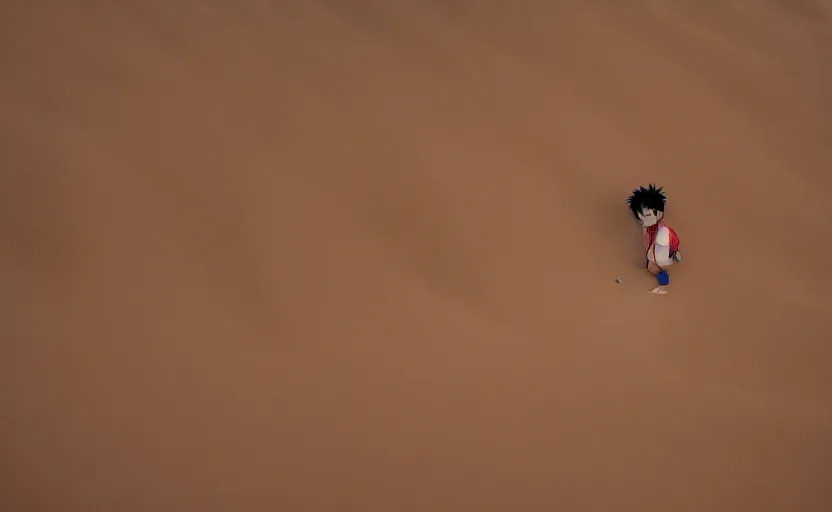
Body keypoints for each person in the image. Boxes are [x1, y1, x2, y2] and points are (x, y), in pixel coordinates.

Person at [626, 183, 681, 292]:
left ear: (659, 214)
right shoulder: (647, 228)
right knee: (651, 265)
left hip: (661, 257)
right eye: (640, 218)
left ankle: (664, 282)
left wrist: (674, 252)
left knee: (654, 267)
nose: (643, 222)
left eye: (647, 216)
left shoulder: (663, 231)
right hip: (653, 255)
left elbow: (672, 242)